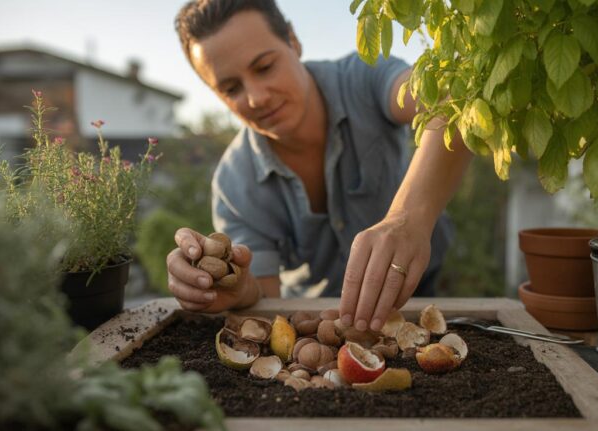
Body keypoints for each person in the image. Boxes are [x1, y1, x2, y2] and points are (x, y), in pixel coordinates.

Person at [167, 0, 472, 332]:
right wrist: (235, 289)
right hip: (321, 320)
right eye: (231, 88)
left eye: (265, 67)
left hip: (424, 284)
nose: (256, 97)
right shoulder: (234, 184)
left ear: (293, 41)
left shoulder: (364, 76)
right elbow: (266, 301)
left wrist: (407, 218)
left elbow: (450, 101)